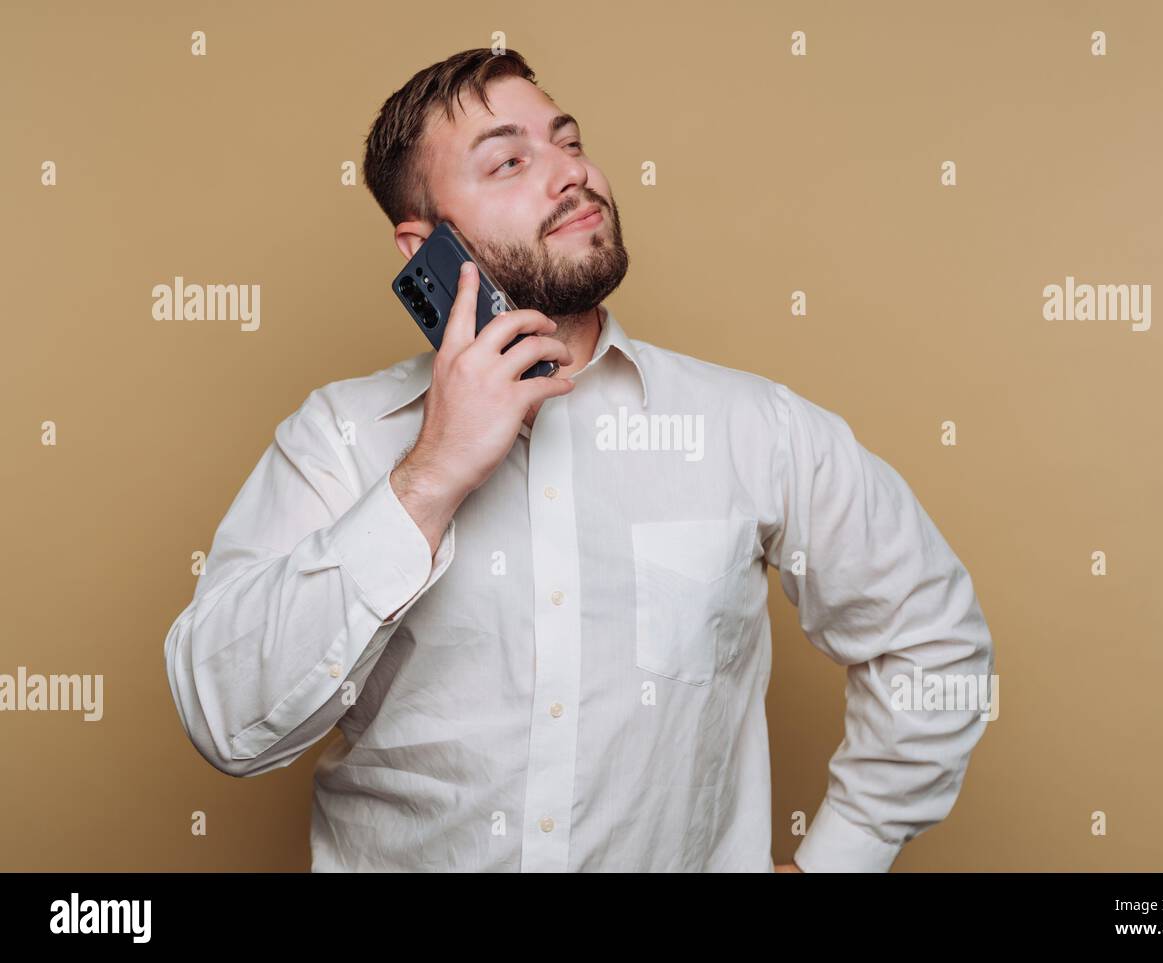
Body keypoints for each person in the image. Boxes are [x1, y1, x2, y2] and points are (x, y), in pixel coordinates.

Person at [163, 47, 995, 872]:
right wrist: (430, 476)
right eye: (510, 161)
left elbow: (936, 643)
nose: (570, 173)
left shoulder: (753, 427)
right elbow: (225, 718)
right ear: (425, 248)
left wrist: (840, 860)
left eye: (569, 140)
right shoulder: (339, 437)